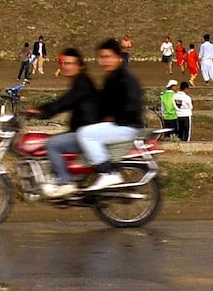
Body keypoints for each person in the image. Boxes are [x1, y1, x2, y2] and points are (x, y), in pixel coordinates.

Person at [26, 49, 105, 199]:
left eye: (70, 63)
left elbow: (63, 103)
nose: (66, 66)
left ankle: (65, 182)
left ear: (80, 66)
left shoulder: (82, 84)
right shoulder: (81, 82)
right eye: (64, 63)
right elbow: (64, 102)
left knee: (52, 144)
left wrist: (39, 111)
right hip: (84, 131)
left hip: (86, 133)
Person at [73, 39, 144, 190]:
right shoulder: (111, 79)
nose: (104, 61)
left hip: (127, 126)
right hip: (119, 124)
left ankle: (108, 173)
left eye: (108, 57)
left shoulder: (126, 79)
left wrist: (114, 117)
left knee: (85, 134)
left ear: (119, 58)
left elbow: (133, 106)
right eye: (102, 57)